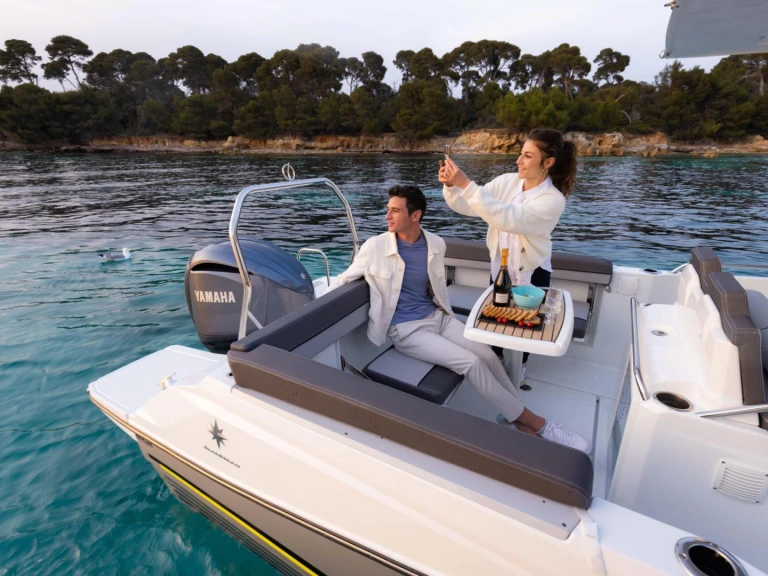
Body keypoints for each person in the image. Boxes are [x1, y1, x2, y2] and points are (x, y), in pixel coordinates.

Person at [329, 184, 591, 453]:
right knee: (472, 362)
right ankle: (536, 423)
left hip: (438, 318)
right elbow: (344, 279)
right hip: (407, 330)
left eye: (395, 210)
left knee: (489, 355)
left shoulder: (435, 244)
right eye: (388, 210)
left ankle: (518, 419)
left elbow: (437, 287)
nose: (387, 216)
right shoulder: (375, 247)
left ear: (415, 215)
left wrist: (448, 317)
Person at [438, 128, 577, 381]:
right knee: (499, 319)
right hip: (500, 270)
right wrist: (451, 186)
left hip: (532, 273)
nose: (518, 161)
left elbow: (509, 219)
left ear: (548, 162)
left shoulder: (552, 200)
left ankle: (519, 368)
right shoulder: (506, 182)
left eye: (527, 156)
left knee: (525, 326)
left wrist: (465, 183)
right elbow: (469, 205)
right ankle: (498, 362)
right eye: (520, 154)